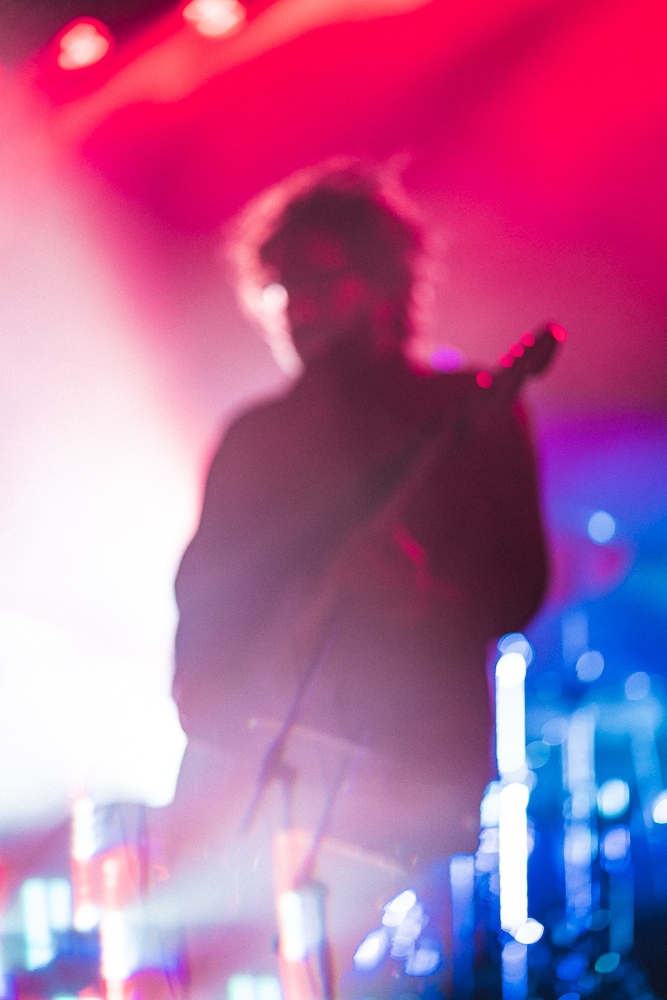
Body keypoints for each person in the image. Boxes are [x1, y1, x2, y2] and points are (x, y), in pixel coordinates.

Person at [171, 164, 548, 994]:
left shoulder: (466, 412)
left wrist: (419, 600)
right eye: (276, 288)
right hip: (271, 781)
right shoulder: (255, 440)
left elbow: (519, 584)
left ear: (384, 284)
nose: (292, 308)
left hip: (410, 779)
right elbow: (202, 612)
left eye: (315, 282)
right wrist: (216, 730)